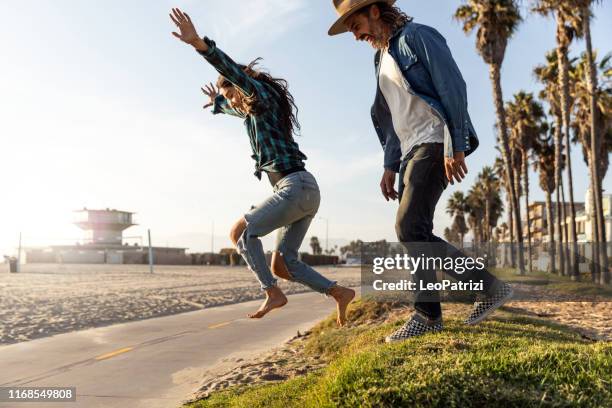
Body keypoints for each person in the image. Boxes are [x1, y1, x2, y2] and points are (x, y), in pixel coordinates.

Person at [327, 0, 514, 341]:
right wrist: (389, 165)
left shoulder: (418, 36)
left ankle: (431, 313)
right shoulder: (379, 59)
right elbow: (393, 117)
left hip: (434, 140)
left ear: (373, 11)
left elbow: (452, 86)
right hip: (411, 149)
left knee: (409, 226)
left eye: (354, 26)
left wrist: (454, 143)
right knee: (416, 230)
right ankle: (483, 290)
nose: (354, 36)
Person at [170, 8, 355, 326]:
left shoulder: (258, 92)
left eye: (231, 94)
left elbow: (231, 73)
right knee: (284, 265)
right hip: (306, 191)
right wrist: (219, 104)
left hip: (294, 187)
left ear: (239, 85)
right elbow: (237, 109)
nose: (232, 101)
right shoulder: (256, 108)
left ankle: (271, 292)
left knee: (240, 232)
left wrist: (199, 44)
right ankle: (338, 292)